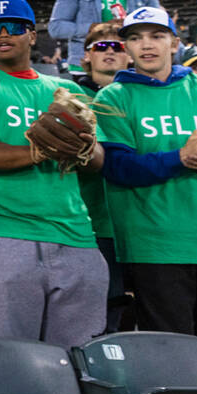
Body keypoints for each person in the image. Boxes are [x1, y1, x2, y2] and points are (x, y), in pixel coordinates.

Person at [0, 0, 108, 348]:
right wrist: (40, 150)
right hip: (1, 234)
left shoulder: (66, 91)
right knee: (14, 363)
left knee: (81, 361)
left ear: (32, 35)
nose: (3, 34)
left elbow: (98, 159)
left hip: (75, 236)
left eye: (14, 27)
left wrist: (83, 147)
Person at [97, 6, 197, 337]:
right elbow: (117, 167)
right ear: (127, 48)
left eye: (156, 36)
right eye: (135, 38)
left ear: (175, 43)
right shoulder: (112, 97)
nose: (146, 45)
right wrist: (182, 157)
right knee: (175, 354)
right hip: (153, 244)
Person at [70, 22, 131, 333]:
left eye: (118, 46)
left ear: (130, 54)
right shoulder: (66, 96)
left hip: (142, 223)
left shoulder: (139, 95)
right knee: (102, 318)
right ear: (85, 57)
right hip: (94, 224)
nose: (110, 52)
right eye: (100, 47)